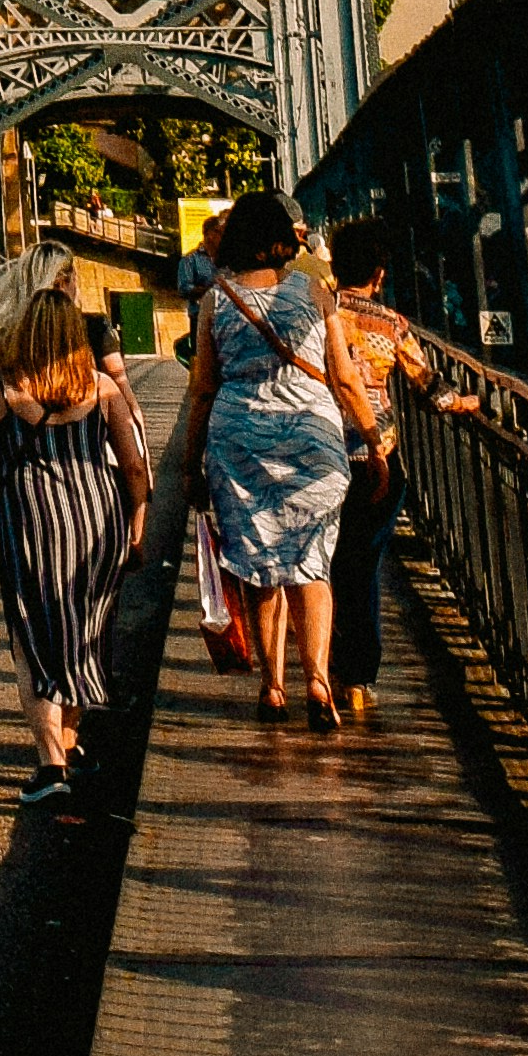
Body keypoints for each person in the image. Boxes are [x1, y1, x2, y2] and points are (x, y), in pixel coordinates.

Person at [180, 189, 384, 728]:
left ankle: (273, 687)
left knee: (258, 567)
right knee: (313, 565)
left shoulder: (216, 299)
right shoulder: (316, 292)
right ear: (281, 239)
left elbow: (202, 389)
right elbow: (342, 375)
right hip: (313, 442)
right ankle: (318, 680)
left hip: (239, 444)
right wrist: (373, 439)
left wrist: (188, 462)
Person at [0, 263, 152, 817]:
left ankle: (51, 765)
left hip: (31, 523)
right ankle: (71, 741)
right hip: (98, 520)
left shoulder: (0, 387)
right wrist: (136, 531)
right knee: (84, 632)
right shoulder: (103, 386)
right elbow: (135, 469)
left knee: (32, 637)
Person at [316, 219, 471, 720]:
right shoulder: (393, 324)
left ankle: (327, 669)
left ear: (336, 269)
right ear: (379, 275)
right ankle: (358, 678)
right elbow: (431, 389)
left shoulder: (319, 314)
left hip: (322, 455)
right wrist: (467, 402)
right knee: (363, 570)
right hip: (376, 460)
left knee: (323, 567)